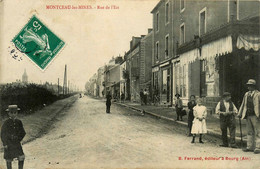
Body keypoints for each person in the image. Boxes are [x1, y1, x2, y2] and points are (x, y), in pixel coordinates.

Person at [238, 79, 260, 154]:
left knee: (258, 132)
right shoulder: (246, 94)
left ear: (253, 86)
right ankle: (250, 147)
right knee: (249, 131)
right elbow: (243, 104)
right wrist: (240, 113)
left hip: (256, 115)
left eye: (250, 86)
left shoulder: (258, 94)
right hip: (248, 115)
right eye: (248, 86)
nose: (248, 87)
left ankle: (258, 147)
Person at [1, 105, 26, 169]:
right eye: (11, 113)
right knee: (8, 158)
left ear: (17, 113)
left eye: (15, 113)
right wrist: (5, 143)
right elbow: (3, 134)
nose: (13, 114)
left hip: (16, 143)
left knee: (21, 157)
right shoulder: (6, 123)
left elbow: (23, 132)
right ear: (8, 113)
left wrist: (19, 139)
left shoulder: (19, 122)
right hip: (9, 143)